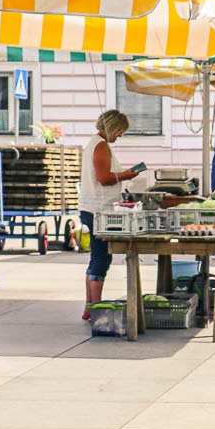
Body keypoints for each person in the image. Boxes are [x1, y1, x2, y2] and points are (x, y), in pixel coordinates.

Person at [79, 110, 140, 320]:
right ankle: (95, 307)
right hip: (98, 209)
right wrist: (127, 174)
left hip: (92, 207)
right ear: (112, 128)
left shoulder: (94, 143)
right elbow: (104, 178)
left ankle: (90, 306)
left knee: (97, 257)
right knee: (101, 259)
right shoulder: (101, 145)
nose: (120, 136)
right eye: (120, 131)